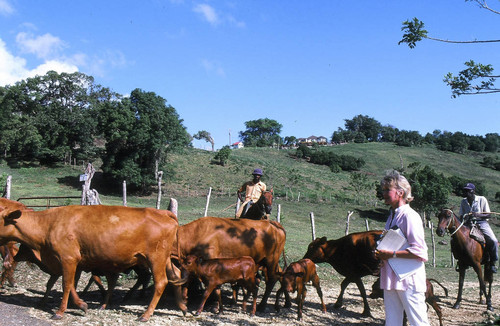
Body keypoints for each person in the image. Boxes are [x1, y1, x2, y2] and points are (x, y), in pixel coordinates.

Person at [375, 170, 430, 326]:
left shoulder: (409, 216)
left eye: (387, 190)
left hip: (409, 278)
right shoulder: (392, 216)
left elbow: (419, 250)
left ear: (400, 192)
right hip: (391, 278)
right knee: (392, 322)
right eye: (383, 189)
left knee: (417, 321)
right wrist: (380, 254)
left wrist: (390, 253)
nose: (383, 193)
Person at [459, 183, 498, 273]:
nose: (467, 192)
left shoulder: (481, 199)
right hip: (468, 224)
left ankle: (492, 262)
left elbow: (488, 214)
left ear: (473, 191)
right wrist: (465, 218)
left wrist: (477, 215)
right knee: (456, 239)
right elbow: (461, 216)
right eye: (465, 190)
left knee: (493, 240)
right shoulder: (463, 201)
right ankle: (461, 261)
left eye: (469, 190)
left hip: (481, 223)